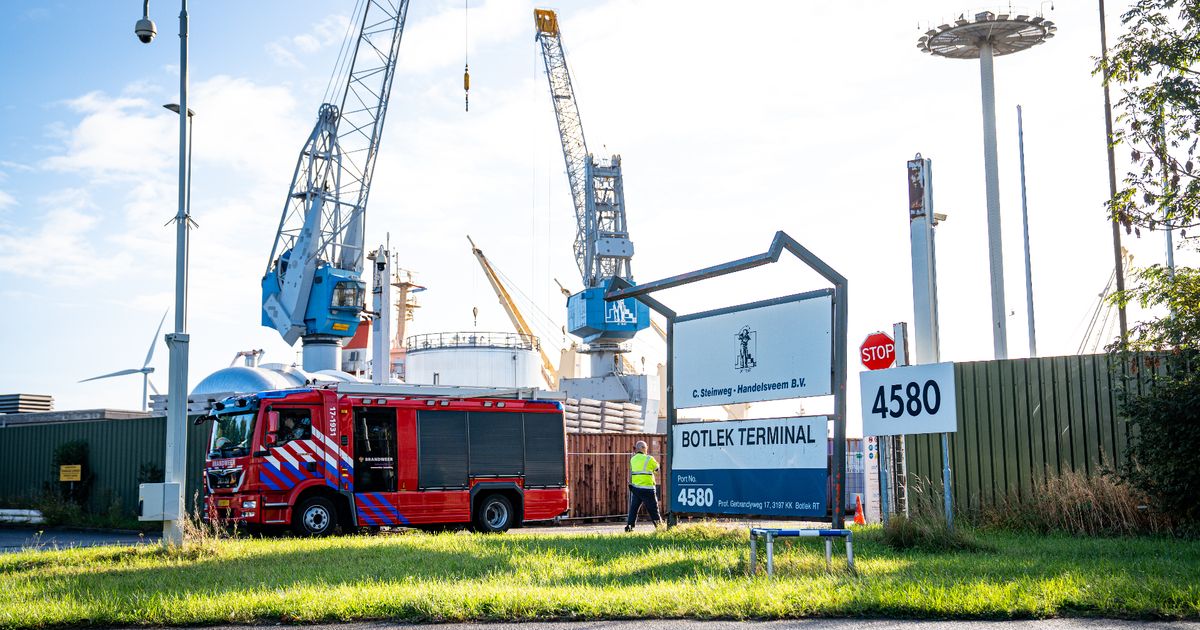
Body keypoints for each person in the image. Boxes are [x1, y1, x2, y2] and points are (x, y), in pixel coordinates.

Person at [625, 440, 662, 531]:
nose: (646, 450)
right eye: (646, 448)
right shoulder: (649, 458)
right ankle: (660, 527)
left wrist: (631, 484)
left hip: (636, 489)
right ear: (642, 448)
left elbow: (632, 473)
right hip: (648, 489)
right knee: (653, 509)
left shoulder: (632, 459)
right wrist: (653, 470)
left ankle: (629, 527)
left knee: (634, 509)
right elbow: (657, 470)